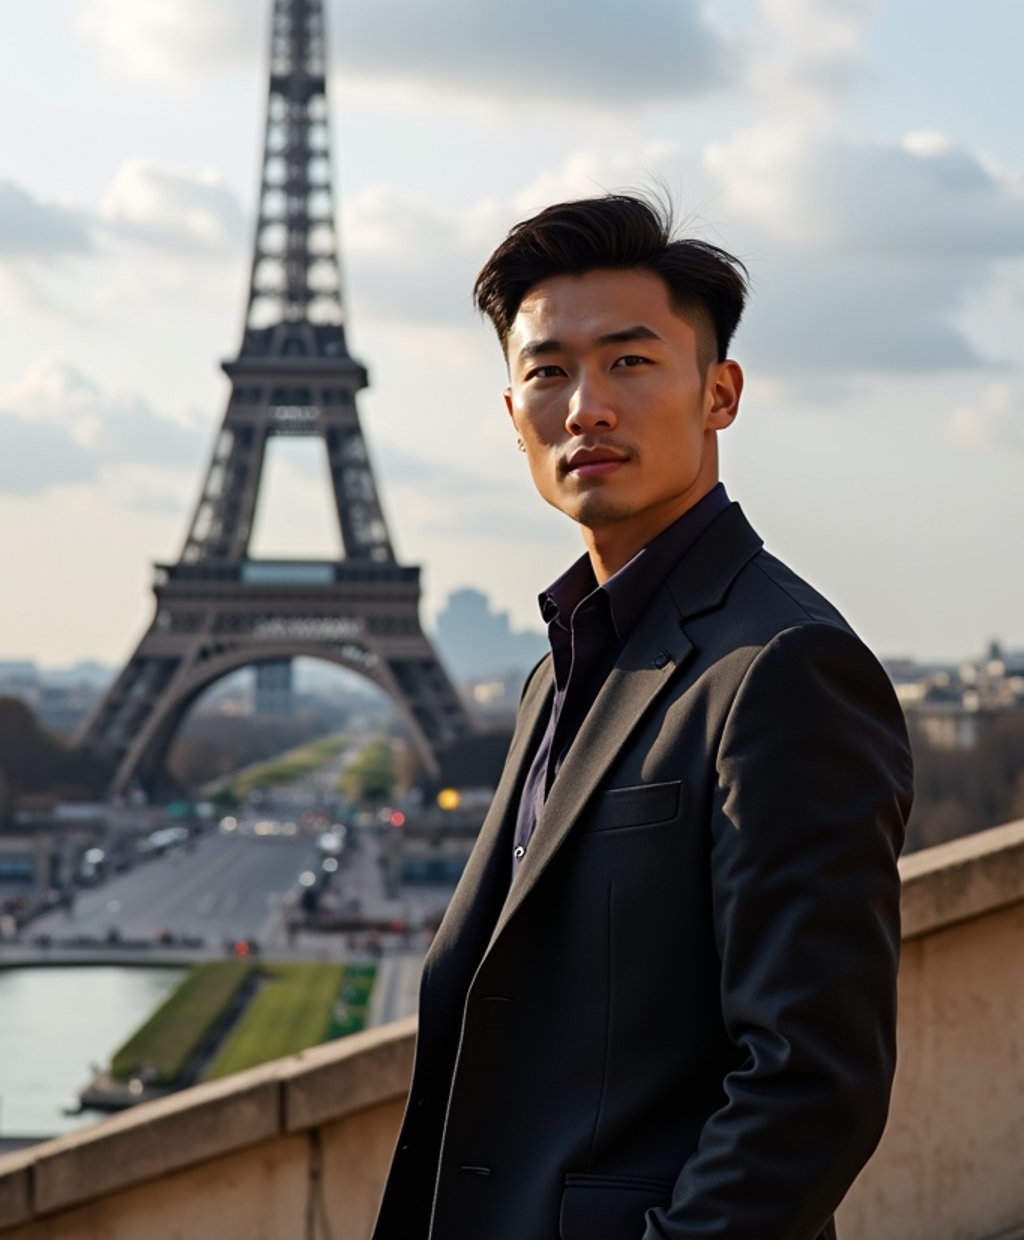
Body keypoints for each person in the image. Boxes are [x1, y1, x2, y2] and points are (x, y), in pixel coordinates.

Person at [371, 193, 913, 1240]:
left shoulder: (784, 666)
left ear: (720, 394)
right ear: (511, 412)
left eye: (628, 361)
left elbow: (811, 1083)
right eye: (549, 371)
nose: (585, 406)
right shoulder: (559, 672)